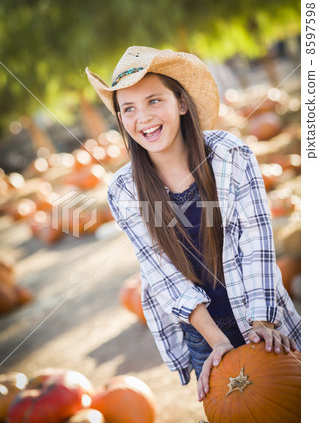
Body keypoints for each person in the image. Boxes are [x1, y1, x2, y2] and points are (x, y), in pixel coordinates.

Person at [86, 46, 301, 402]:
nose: (143, 118)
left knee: (297, 406)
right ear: (121, 119)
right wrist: (217, 341)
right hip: (203, 335)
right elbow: (162, 273)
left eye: (155, 101)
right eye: (129, 109)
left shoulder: (230, 154)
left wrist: (262, 324)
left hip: (262, 313)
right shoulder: (125, 190)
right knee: (240, 419)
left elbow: (256, 242)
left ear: (181, 103)